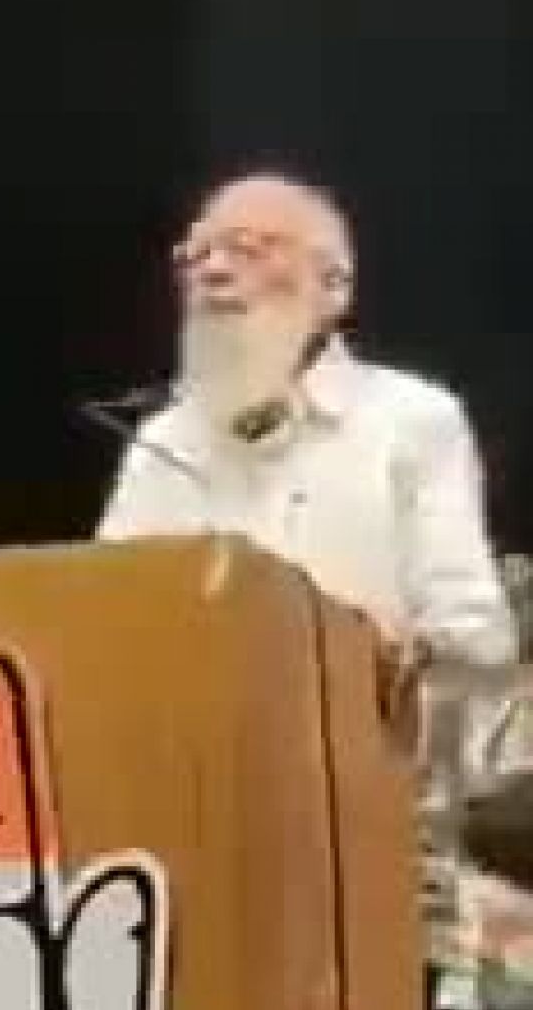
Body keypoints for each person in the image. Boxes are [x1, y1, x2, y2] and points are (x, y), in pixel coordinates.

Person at [97, 171, 516, 675]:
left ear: (334, 286)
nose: (213, 270)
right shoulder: (162, 441)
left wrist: (382, 650)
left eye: (247, 250)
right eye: (196, 255)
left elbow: (476, 636)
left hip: (364, 719)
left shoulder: (412, 419)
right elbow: (104, 611)